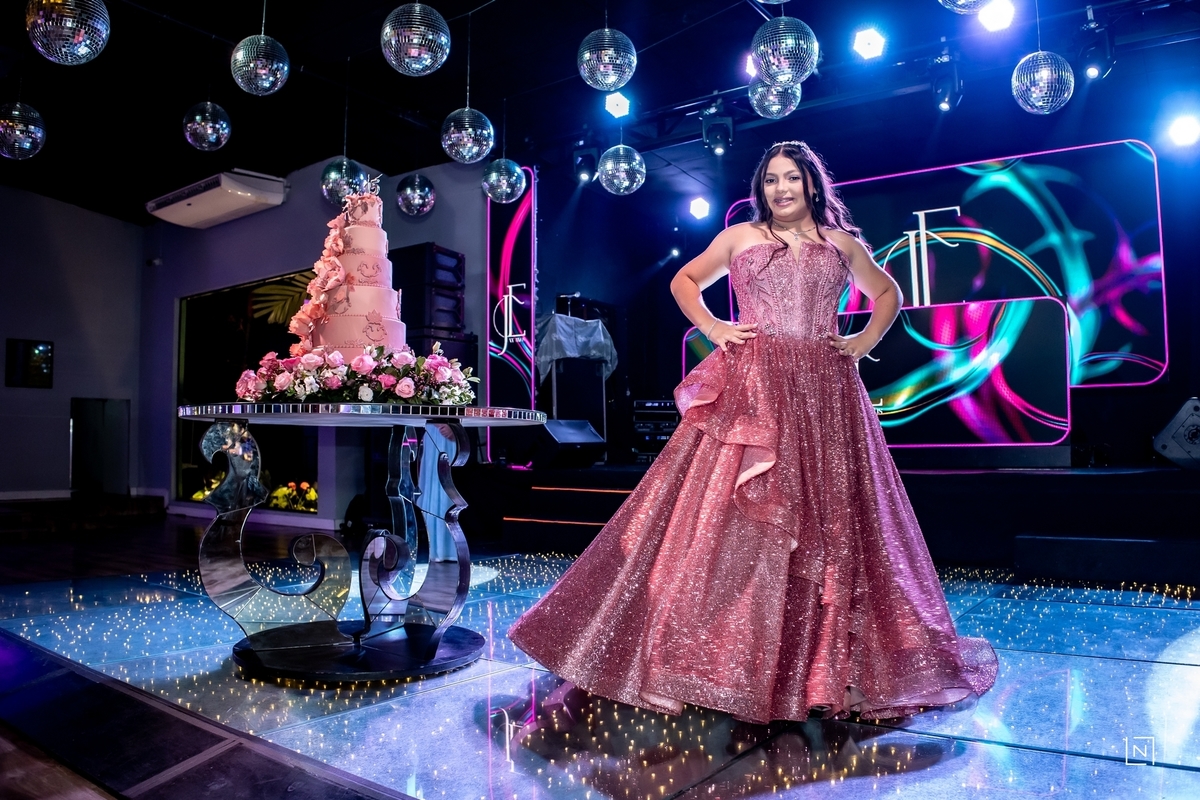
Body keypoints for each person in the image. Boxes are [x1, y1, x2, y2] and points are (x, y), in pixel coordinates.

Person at [508, 141, 997, 724]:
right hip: (757, 383)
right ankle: (723, 661)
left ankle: (820, 668)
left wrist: (865, 338)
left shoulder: (842, 243)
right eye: (770, 180)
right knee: (735, 515)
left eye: (791, 178)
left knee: (829, 516)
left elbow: (887, 293)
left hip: (826, 389)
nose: (781, 189)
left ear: (812, 184)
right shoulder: (740, 237)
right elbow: (685, 281)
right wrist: (714, 327)